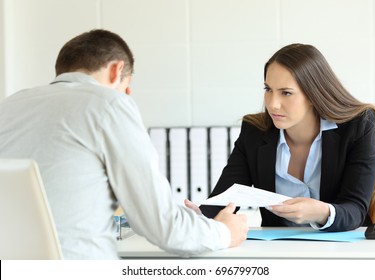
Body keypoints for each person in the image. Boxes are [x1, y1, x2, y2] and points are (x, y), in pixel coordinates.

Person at [0, 29, 248, 259]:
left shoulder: (9, 107)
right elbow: (165, 229)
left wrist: (187, 219)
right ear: (116, 70)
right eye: (126, 86)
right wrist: (226, 231)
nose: (127, 94)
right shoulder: (107, 103)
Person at [193, 43, 375, 231]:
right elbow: (223, 201)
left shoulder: (358, 126)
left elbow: (355, 209)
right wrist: (198, 217)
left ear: (314, 95)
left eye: (286, 93)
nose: (273, 104)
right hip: (281, 251)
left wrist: (321, 212)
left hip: (347, 250)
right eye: (268, 90)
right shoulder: (254, 131)